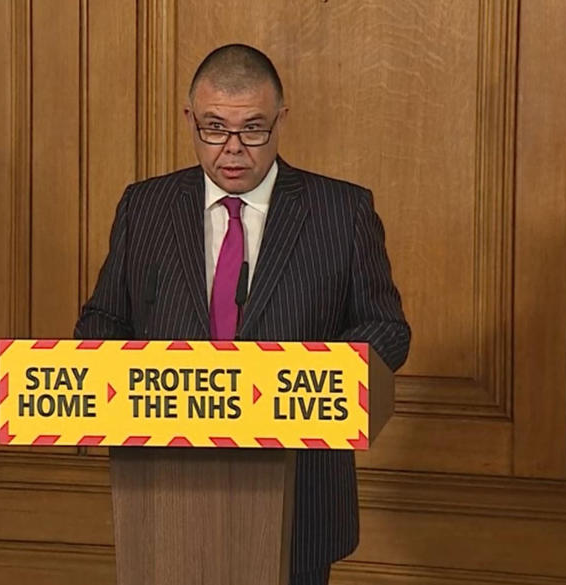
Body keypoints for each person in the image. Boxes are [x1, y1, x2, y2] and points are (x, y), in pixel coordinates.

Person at [75, 43, 410, 585]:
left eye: (253, 129)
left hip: (299, 492)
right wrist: (94, 394)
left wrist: (316, 382)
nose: (232, 149)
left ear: (280, 121)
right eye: (214, 128)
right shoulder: (145, 207)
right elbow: (105, 319)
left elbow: (387, 327)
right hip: (164, 493)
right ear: (190, 120)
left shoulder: (341, 211)